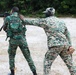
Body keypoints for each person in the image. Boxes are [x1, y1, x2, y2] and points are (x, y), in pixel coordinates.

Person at [24, 7, 76, 75]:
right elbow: (67, 34)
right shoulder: (61, 21)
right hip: (65, 44)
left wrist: (22, 20)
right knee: (70, 64)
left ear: (47, 13)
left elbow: (33, 22)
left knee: (47, 63)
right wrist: (70, 45)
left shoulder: (46, 21)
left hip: (55, 45)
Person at [3, 7, 37, 75]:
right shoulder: (21, 17)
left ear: (12, 11)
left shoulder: (8, 18)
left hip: (13, 40)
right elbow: (24, 25)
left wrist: (5, 20)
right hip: (22, 40)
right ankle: (34, 72)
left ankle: (12, 72)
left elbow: (4, 28)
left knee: (12, 56)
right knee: (28, 57)